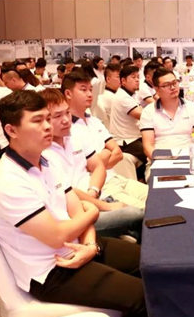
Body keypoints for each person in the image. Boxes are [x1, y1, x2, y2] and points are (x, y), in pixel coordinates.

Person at [0, 90, 146, 317]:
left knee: (152, 265)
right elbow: (57, 236)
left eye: (47, 118)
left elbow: (77, 210)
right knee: (144, 296)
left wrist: (90, 245)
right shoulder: (8, 181)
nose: (47, 126)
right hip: (53, 271)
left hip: (81, 246)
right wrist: (92, 212)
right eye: (37, 121)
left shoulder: (46, 161)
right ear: (12, 130)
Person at [40, 89, 143, 241]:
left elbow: (98, 166)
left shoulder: (75, 136)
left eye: (67, 113)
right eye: (57, 116)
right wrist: (104, 205)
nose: (66, 120)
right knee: (140, 214)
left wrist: (93, 191)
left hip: (98, 196)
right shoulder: (43, 153)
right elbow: (68, 192)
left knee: (155, 204)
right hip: (79, 211)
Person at [63, 71, 148, 208]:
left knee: (161, 197)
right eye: (83, 90)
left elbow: (117, 153)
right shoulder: (65, 129)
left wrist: (98, 163)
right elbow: (86, 167)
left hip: (116, 178)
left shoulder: (94, 121)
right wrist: (104, 156)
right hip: (99, 189)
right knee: (145, 210)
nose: (90, 94)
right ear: (68, 94)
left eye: (90, 89)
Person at [140, 68, 194, 161]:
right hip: (159, 159)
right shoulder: (148, 111)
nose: (173, 87)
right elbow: (148, 146)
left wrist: (193, 158)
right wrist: (160, 160)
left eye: (175, 83)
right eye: (166, 85)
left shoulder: (192, 107)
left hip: (189, 158)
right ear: (156, 89)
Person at [109, 66, 146, 164]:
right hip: (126, 142)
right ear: (123, 81)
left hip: (133, 137)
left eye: (138, 77)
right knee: (152, 152)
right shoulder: (123, 97)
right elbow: (142, 115)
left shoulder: (130, 95)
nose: (137, 80)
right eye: (133, 77)